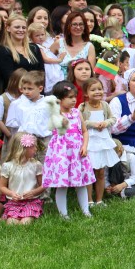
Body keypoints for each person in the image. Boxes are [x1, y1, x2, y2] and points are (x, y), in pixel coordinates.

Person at [43, 81, 94, 219]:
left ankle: (86, 210)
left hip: (77, 152)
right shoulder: (55, 115)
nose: (74, 100)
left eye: (75, 96)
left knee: (81, 183)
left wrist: (84, 146)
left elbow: (84, 131)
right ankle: (63, 214)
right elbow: (53, 127)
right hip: (62, 153)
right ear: (59, 99)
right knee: (62, 184)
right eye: (70, 97)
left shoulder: (77, 113)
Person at [79, 78, 120, 206]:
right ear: (86, 93)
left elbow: (113, 118)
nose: (97, 92)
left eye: (100, 89)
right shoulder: (83, 107)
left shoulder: (105, 105)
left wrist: (106, 122)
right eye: (93, 90)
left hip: (102, 142)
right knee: (89, 171)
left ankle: (99, 199)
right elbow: (79, 122)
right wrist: (93, 124)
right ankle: (89, 200)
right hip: (89, 142)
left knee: (101, 172)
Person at [0, 132, 45, 225]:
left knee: (25, 223)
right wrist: (11, 194)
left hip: (31, 202)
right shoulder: (8, 166)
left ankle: (30, 214)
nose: (36, 149)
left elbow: (43, 185)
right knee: (11, 223)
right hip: (14, 203)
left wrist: (34, 192)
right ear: (22, 149)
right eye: (32, 147)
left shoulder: (36, 165)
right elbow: (2, 186)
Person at [51, 11, 96, 76]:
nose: (78, 27)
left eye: (81, 24)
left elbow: (91, 73)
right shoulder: (58, 43)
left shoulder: (89, 47)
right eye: (74, 24)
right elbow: (46, 63)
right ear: (68, 26)